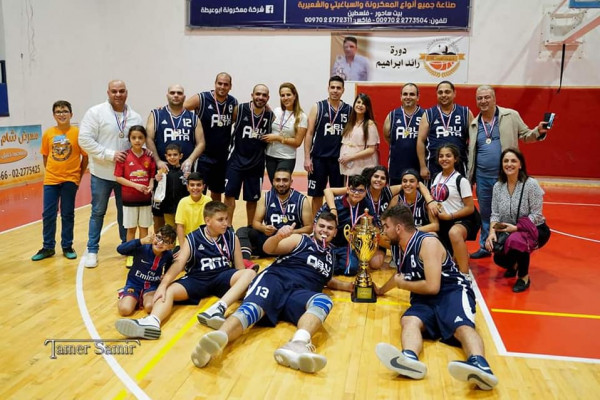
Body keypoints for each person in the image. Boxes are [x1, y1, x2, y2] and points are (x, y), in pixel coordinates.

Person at [190, 211, 354, 373]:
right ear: (315, 227)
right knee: (252, 309)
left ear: (335, 232)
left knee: (324, 301)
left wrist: (347, 286)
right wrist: (278, 237)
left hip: (299, 293)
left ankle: (297, 344)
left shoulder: (330, 256)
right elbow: (268, 249)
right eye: (322, 226)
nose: (325, 230)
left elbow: (325, 279)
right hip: (277, 280)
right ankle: (217, 340)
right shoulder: (301, 240)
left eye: (329, 228)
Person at [375, 204, 498, 391]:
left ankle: (480, 364)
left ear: (398, 228)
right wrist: (381, 290)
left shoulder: (428, 243)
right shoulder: (400, 246)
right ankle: (409, 358)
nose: (384, 231)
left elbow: (433, 287)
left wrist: (403, 285)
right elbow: (401, 275)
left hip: (451, 291)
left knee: (462, 327)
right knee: (409, 320)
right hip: (424, 296)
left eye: (386, 226)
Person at [115, 201, 256, 339]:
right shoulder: (193, 238)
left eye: (226, 218)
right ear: (208, 221)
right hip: (198, 279)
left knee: (249, 273)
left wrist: (244, 286)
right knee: (168, 290)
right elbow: (178, 264)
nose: (225, 223)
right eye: (220, 220)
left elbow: (239, 268)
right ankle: (152, 322)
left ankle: (218, 308)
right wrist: (163, 285)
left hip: (222, 277)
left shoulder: (232, 237)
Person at [467, 85, 549, 259]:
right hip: (482, 177)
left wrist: (538, 132)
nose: (483, 101)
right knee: (486, 213)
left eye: (487, 97)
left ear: (494, 98)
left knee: (510, 212)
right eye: (480, 98)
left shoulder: (511, 115)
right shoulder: (474, 123)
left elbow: (526, 135)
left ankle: (510, 246)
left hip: (506, 177)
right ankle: (485, 246)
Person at [79, 80, 143, 268]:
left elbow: (139, 143)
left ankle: (126, 247)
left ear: (126, 93)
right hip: (102, 173)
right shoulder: (95, 112)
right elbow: (84, 139)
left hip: (126, 176)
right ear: (108, 92)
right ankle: (92, 250)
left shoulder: (135, 117)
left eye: (121, 91)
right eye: (114, 91)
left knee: (126, 214)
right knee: (98, 211)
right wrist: (109, 154)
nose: (118, 94)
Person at [485, 148, 550, 293]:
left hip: (535, 229)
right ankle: (514, 264)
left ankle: (523, 277)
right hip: (509, 229)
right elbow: (495, 214)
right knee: (499, 258)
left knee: (517, 240)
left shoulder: (531, 184)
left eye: (513, 161)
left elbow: (536, 215)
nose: (509, 164)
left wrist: (516, 228)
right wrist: (491, 233)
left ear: (520, 165)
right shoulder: (498, 186)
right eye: (506, 161)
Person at [32, 100, 88, 261]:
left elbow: (85, 157)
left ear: (71, 114)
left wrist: (78, 176)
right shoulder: (48, 133)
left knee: (67, 213)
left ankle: (67, 246)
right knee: (48, 214)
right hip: (51, 180)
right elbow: (45, 156)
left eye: (64, 111)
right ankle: (48, 247)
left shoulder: (78, 133)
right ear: (53, 115)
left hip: (70, 180)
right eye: (58, 112)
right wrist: (51, 172)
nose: (61, 114)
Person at [224, 84, 273, 227]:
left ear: (268, 98)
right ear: (252, 95)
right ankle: (228, 227)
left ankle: (250, 228)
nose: (260, 97)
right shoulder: (239, 110)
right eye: (258, 94)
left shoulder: (270, 115)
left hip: (256, 163)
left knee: (252, 199)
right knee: (229, 195)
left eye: (264, 95)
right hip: (236, 161)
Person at [237, 168, 312, 261]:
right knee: (243, 231)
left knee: (306, 239)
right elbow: (256, 223)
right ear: (273, 182)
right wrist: (264, 228)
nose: (281, 184)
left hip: (290, 240)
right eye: (278, 180)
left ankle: (264, 252)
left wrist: (291, 232)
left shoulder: (302, 200)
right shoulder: (266, 197)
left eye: (285, 180)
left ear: (291, 182)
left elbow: (309, 228)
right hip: (270, 239)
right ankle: (245, 260)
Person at [184, 73, 238, 201]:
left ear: (230, 86)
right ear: (215, 84)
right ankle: (197, 214)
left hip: (222, 155)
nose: (222, 87)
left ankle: (215, 214)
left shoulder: (233, 102)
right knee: (198, 190)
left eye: (226, 84)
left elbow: (234, 119)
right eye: (220, 83)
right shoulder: (201, 98)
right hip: (203, 155)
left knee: (217, 192)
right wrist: (164, 110)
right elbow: (181, 108)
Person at [428, 144, 479, 275]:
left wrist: (450, 216)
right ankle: (458, 253)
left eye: (448, 156)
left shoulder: (461, 180)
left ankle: (465, 274)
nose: (444, 159)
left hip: (460, 220)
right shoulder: (435, 177)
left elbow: (470, 208)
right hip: (442, 222)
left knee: (454, 233)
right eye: (441, 156)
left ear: (455, 159)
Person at [304, 76, 352, 216]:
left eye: (338, 88)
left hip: (338, 160)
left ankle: (336, 221)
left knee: (338, 195)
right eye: (333, 87)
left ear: (343, 90)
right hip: (318, 158)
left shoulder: (349, 110)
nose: (335, 90)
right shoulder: (318, 107)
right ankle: (316, 222)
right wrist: (307, 158)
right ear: (328, 88)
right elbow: (309, 133)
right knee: (317, 194)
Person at [318, 174, 378, 275]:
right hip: (330, 243)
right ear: (348, 190)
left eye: (361, 190)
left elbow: (375, 224)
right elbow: (317, 222)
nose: (356, 193)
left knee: (351, 269)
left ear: (365, 192)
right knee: (327, 267)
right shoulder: (335, 202)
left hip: (348, 246)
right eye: (353, 189)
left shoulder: (367, 205)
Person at [145, 84, 205, 182]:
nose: (176, 95)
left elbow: (201, 143)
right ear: (167, 96)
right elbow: (148, 139)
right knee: (162, 192)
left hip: (185, 169)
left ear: (184, 97)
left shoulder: (193, 118)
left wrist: (190, 159)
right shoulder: (156, 114)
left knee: (186, 192)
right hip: (163, 168)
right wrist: (158, 161)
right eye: (172, 93)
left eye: (179, 93)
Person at [417, 81, 473, 184]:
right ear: (436, 94)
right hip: (434, 165)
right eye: (440, 92)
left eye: (447, 92)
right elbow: (420, 141)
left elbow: (474, 141)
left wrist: (472, 165)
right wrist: (423, 166)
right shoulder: (429, 114)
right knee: (434, 193)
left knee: (459, 192)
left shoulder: (465, 112)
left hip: (459, 164)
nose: (443, 95)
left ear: (454, 93)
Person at [116, 225, 176, 316]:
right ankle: (125, 295)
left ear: (170, 246)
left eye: (166, 241)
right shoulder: (143, 247)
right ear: (154, 236)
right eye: (159, 237)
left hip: (152, 286)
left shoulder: (168, 255)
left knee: (150, 307)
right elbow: (120, 249)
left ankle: (138, 299)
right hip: (134, 284)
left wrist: (165, 275)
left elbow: (169, 267)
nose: (160, 243)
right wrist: (141, 241)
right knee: (125, 310)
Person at [114, 125, 156, 242]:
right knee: (131, 229)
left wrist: (151, 186)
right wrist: (136, 185)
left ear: (145, 139)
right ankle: (130, 251)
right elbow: (118, 178)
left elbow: (152, 177)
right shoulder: (124, 156)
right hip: (129, 199)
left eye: (140, 137)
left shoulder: (149, 156)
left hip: (145, 198)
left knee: (144, 228)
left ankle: (143, 252)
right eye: (134, 138)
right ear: (129, 139)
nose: (137, 140)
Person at [262, 82, 308, 183]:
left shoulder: (301, 117)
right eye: (282, 95)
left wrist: (277, 138)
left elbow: (297, 142)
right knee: (274, 185)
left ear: (295, 95)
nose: (285, 98)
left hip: (286, 157)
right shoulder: (276, 111)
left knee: (281, 186)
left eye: (288, 94)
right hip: (270, 155)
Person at [383, 83, 425, 185]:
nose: (408, 97)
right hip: (396, 168)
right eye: (405, 94)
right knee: (395, 195)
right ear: (401, 97)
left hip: (418, 168)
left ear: (418, 97)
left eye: (412, 94)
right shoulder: (392, 115)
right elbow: (387, 136)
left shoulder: (425, 115)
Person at [338, 93, 379, 178]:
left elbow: (371, 149)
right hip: (348, 166)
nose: (360, 105)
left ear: (367, 107)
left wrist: (351, 157)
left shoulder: (370, 124)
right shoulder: (350, 122)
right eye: (358, 102)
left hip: (362, 166)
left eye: (363, 104)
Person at [151, 143, 188, 232]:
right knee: (171, 230)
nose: (172, 157)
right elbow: (157, 189)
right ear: (166, 156)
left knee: (182, 229)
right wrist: (156, 179)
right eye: (169, 155)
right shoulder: (162, 172)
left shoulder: (185, 171)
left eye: (175, 155)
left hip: (182, 207)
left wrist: (189, 179)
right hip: (168, 207)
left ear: (180, 156)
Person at [174, 172, 212, 248]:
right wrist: (183, 248)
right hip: (185, 242)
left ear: (203, 187)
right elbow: (180, 226)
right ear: (187, 187)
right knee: (177, 255)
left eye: (198, 185)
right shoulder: (183, 202)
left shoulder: (208, 201)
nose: (195, 188)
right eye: (192, 185)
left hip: (204, 242)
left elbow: (210, 225)